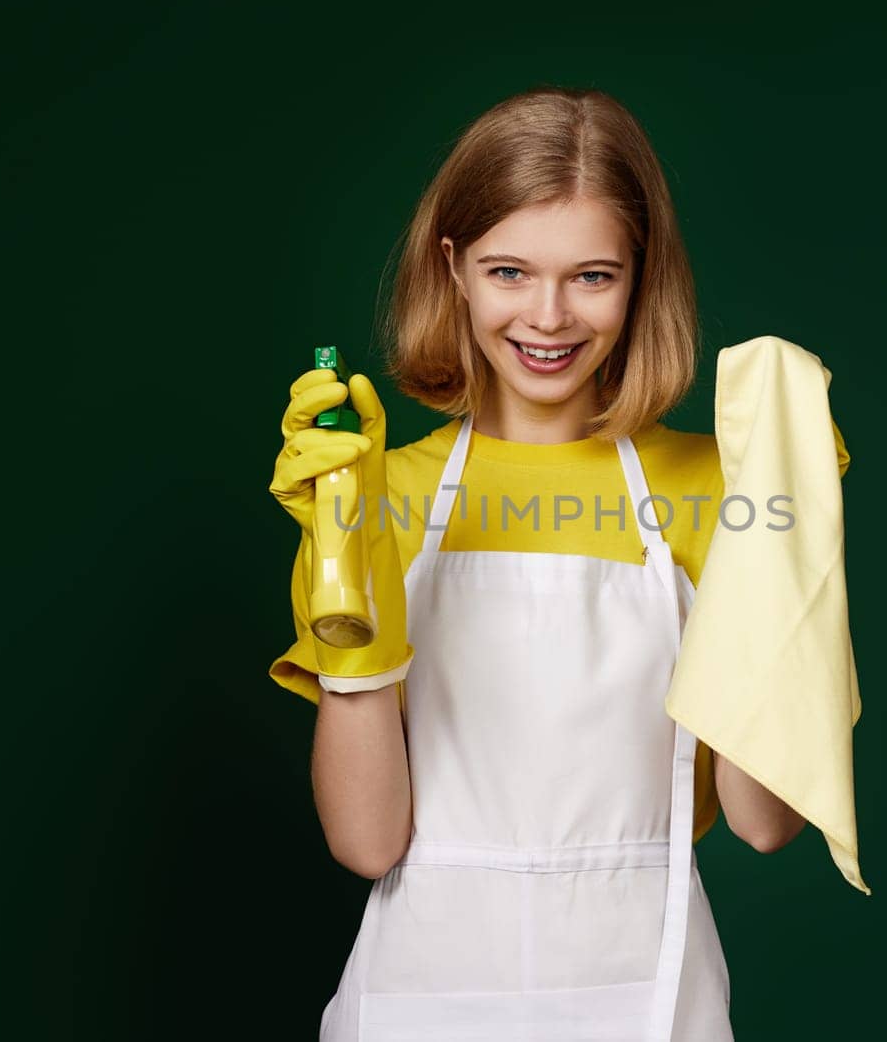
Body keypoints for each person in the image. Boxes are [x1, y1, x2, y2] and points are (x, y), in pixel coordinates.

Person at [268, 85, 850, 1042]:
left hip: (646, 1003)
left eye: (592, 275)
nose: (547, 317)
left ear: (641, 275)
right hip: (422, 1005)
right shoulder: (379, 497)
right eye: (508, 271)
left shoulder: (716, 487)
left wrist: (780, 546)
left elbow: (763, 820)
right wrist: (347, 564)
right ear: (452, 267)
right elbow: (368, 842)